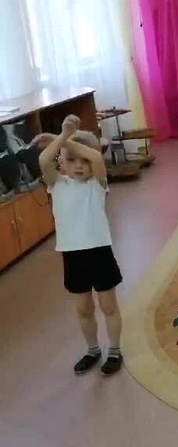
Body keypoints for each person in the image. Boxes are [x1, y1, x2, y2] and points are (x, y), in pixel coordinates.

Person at [34, 115, 124, 376]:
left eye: (83, 161)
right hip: (73, 256)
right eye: (71, 160)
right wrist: (63, 137)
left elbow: (95, 156)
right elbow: (43, 160)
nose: (80, 166)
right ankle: (92, 350)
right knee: (83, 309)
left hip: (99, 252)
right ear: (62, 162)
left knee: (108, 306)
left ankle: (114, 350)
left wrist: (63, 140)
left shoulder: (97, 184)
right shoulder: (57, 185)